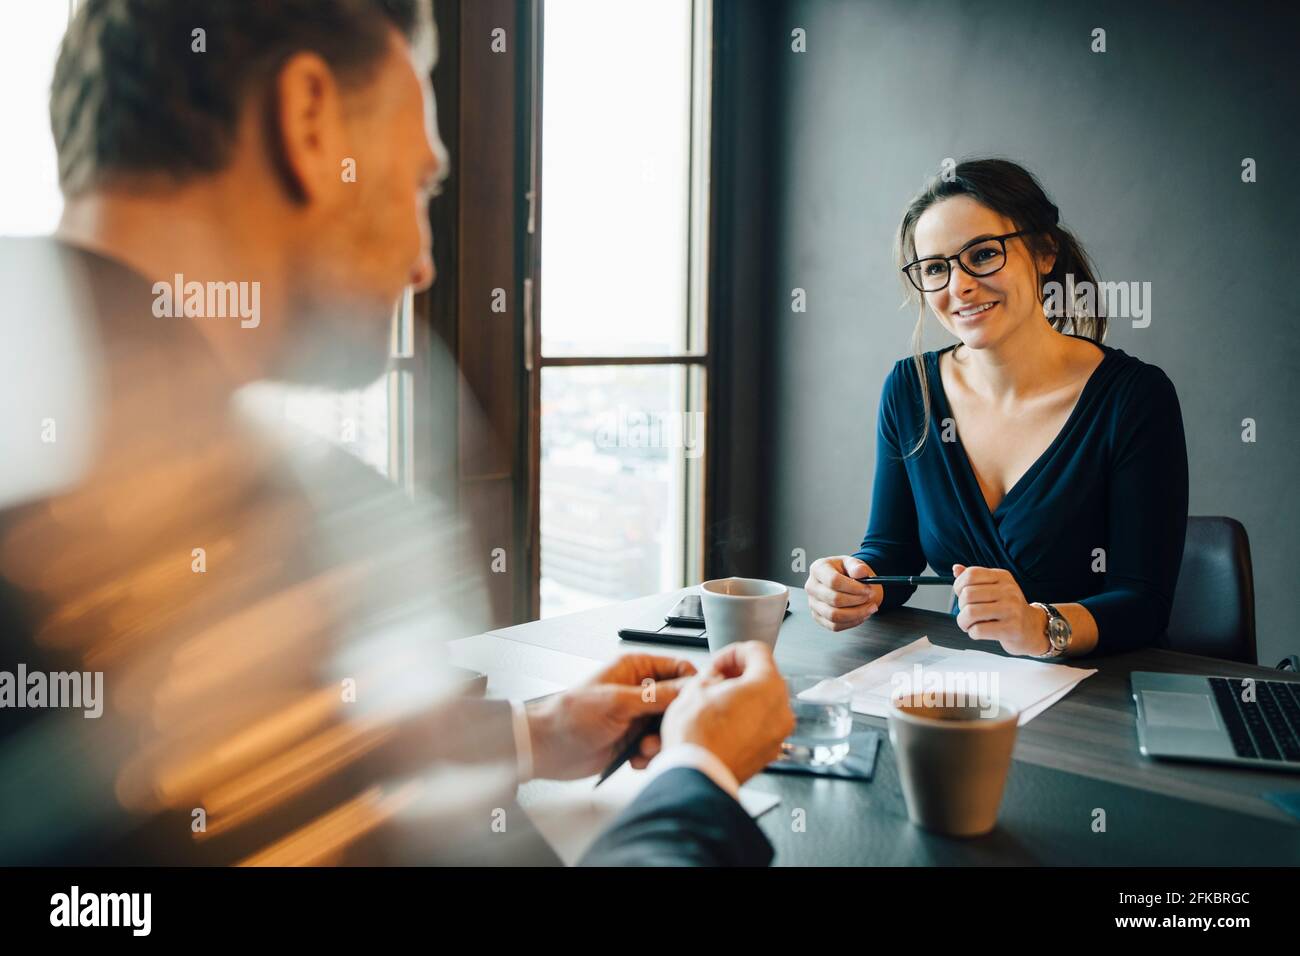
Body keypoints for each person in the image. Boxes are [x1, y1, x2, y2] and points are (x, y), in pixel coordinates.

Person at [0, 0, 792, 867]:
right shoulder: (179, 506)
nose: (425, 260)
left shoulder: (82, 431)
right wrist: (700, 780)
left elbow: (216, 793)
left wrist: (537, 733)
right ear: (307, 121)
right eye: (422, 186)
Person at [805, 159, 1188, 660]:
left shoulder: (1134, 398)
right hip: (966, 685)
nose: (958, 287)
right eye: (936, 268)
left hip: (1103, 695)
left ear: (1045, 252)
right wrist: (858, 581)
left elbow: (1143, 603)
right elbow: (893, 552)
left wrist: (1040, 626)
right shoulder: (909, 389)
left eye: (983, 254)